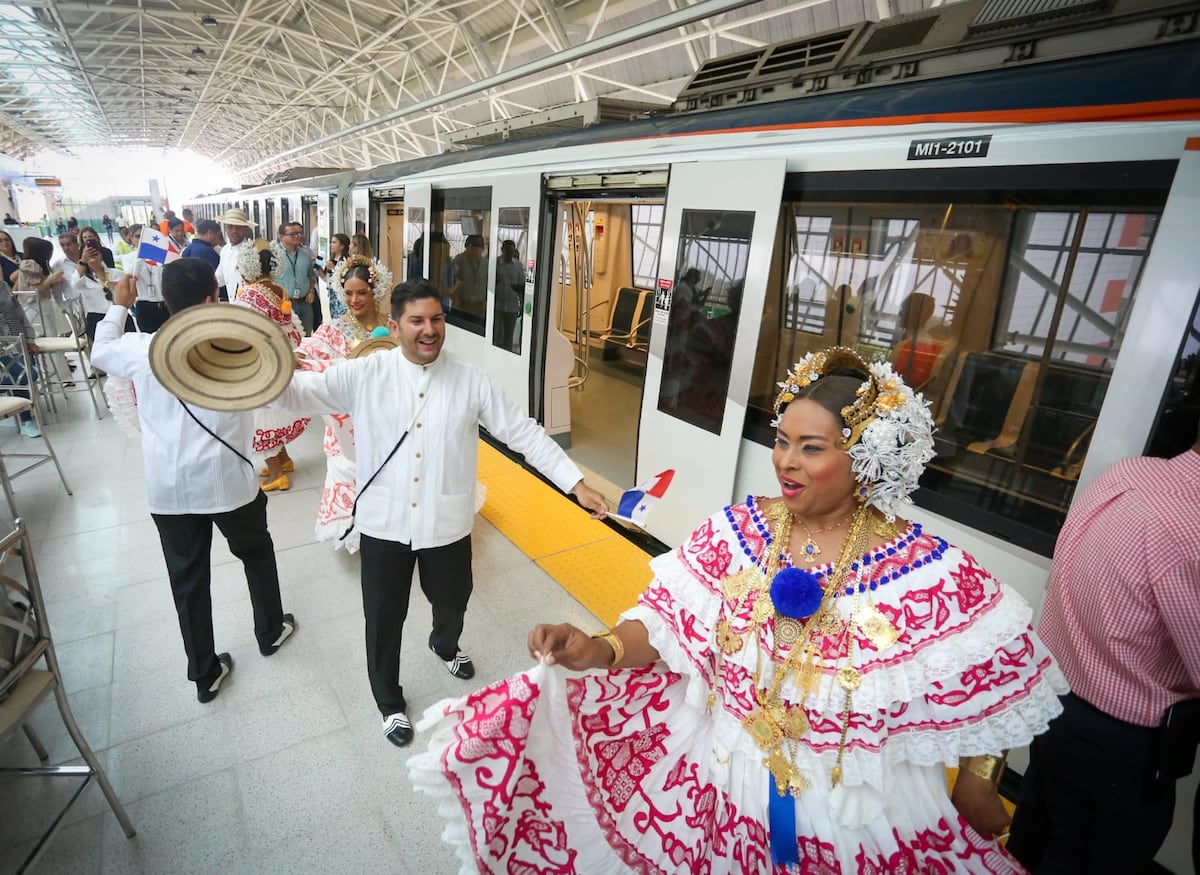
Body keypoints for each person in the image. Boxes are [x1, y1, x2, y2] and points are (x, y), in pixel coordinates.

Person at [409, 345, 1068, 872]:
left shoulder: (923, 572)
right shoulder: (738, 532)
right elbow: (666, 621)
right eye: (782, 440)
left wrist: (979, 780)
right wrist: (599, 648)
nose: (786, 461)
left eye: (812, 448)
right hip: (730, 787)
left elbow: (1000, 674)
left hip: (862, 820)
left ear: (864, 459)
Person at [275, 278, 608, 748]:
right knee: (384, 618)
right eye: (416, 321)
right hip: (383, 526)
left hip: (446, 525)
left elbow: (523, 433)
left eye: (436, 319)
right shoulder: (362, 375)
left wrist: (575, 483)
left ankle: (444, 645)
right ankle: (389, 702)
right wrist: (251, 367)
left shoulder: (471, 381)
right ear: (394, 326)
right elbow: (296, 393)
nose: (428, 330)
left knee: (453, 601)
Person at [91, 259, 297, 701]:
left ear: (165, 301)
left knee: (188, 582)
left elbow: (99, 350)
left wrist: (119, 305)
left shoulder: (142, 349)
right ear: (212, 299)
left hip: (169, 490)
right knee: (256, 554)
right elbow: (284, 385)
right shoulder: (240, 347)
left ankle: (204, 674)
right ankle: (270, 631)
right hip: (230, 484)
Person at [1007, 429, 1200, 875]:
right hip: (1121, 746)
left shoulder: (1130, 473)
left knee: (1032, 838)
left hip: (1054, 705)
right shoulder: (1191, 526)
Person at [295, 255, 392, 550]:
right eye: (348, 293)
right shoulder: (333, 329)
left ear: (374, 291)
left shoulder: (392, 326)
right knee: (350, 471)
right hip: (347, 422)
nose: (354, 299)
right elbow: (309, 351)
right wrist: (295, 359)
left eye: (361, 292)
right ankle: (356, 531)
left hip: (384, 417)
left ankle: (387, 526)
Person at [233, 241, 309, 491]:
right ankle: (284, 459)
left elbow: (240, 333)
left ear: (246, 268)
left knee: (260, 415)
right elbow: (294, 328)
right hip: (283, 359)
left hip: (262, 364)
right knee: (275, 411)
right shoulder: (278, 289)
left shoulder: (249, 296)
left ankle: (276, 473)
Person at [0, 277, 43, 438]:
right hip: (1, 350)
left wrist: (30, 339)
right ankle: (26, 421)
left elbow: (21, 315)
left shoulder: (3, 286)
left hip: (17, 345)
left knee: (31, 374)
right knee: (22, 376)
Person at [119, 225, 169, 333]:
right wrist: (142, 255)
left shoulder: (160, 254)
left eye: (145, 237)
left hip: (165, 303)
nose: (142, 240)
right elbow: (131, 275)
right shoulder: (128, 258)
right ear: (131, 239)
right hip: (145, 305)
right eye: (138, 237)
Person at [275, 222, 317, 335]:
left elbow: (311, 275)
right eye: (292, 234)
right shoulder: (274, 254)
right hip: (283, 304)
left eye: (299, 233)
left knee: (306, 337)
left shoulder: (305, 254)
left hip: (304, 302)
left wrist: (311, 290)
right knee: (286, 337)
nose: (297, 236)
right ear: (281, 236)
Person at [216, 209, 256, 300]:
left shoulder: (252, 252)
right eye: (230, 227)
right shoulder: (225, 250)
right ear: (225, 228)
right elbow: (219, 278)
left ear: (245, 229)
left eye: (238, 227)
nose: (234, 231)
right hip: (233, 304)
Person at [448, 233, 487, 323]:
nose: (475, 250)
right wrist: (455, 298)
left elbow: (488, 283)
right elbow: (452, 280)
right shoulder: (459, 260)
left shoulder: (486, 263)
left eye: (478, 248)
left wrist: (485, 301)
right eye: (471, 247)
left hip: (479, 306)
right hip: (461, 304)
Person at [493, 239, 523, 350]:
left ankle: (507, 356)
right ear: (502, 250)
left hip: (512, 306)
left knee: (508, 336)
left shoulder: (518, 266)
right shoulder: (495, 263)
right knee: (495, 334)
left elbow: (521, 286)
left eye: (511, 251)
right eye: (507, 251)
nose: (509, 253)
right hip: (497, 305)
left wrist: (522, 305)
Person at [317, 232, 350, 319]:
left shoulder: (347, 262)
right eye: (331, 242)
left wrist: (334, 269)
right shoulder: (332, 260)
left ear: (342, 246)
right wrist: (321, 273)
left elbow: (346, 279)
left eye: (334, 242)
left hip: (341, 296)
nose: (331, 245)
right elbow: (328, 280)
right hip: (332, 296)